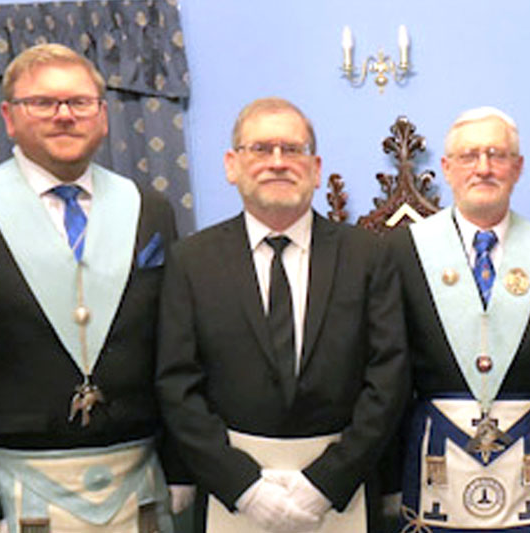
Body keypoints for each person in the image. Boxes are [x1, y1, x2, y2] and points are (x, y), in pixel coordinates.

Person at [0, 43, 187, 532]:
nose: (64, 116)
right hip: (15, 489)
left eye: (79, 102)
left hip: (142, 485)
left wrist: (182, 467)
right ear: (9, 117)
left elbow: (176, 349)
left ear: (102, 116)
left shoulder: (150, 209)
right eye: (43, 103)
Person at [156, 97, 409, 533]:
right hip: (232, 496)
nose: (277, 162)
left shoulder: (369, 255)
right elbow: (176, 384)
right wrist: (244, 488)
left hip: (341, 493)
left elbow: (389, 376)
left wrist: (327, 483)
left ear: (314, 166)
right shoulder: (191, 261)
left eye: (292, 150)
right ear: (232, 165)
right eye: (260, 149)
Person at [386, 107, 530, 532]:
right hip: (433, 464)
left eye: (496, 155)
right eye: (468, 156)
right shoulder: (401, 252)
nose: (483, 168)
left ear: (517, 168)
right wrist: (387, 477)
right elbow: (386, 375)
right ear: (447, 168)